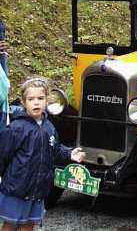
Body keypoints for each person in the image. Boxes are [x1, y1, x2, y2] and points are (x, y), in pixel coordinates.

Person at [0, 77, 86, 231]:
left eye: (40, 98)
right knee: (10, 224)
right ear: (23, 102)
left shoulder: (49, 127)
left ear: (47, 101)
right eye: (31, 99)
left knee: (29, 225)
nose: (36, 102)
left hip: (38, 189)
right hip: (17, 189)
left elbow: (55, 149)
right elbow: (3, 154)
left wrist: (70, 154)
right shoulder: (15, 128)